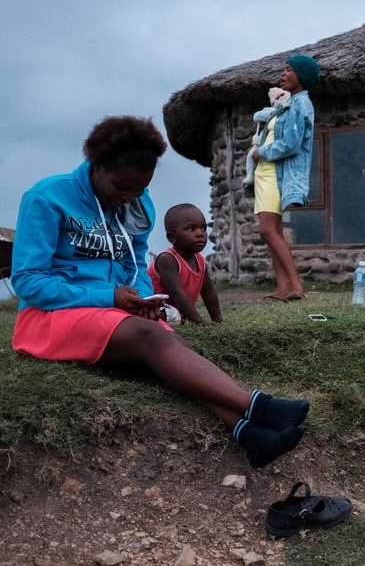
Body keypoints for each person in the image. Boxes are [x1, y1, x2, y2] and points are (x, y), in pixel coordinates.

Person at [11, 115, 309, 469]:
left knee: (172, 346)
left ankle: (248, 434)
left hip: (109, 313)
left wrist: (141, 298)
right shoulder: (47, 199)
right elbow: (28, 281)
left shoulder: (137, 203)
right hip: (48, 318)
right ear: (98, 165)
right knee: (150, 337)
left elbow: (135, 264)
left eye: (140, 189)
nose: (129, 197)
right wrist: (110, 297)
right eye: (121, 187)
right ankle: (258, 406)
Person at [252, 55, 320, 302]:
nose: (282, 74)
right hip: (264, 172)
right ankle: (282, 288)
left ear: (300, 76)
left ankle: (296, 286)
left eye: (288, 70)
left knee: (267, 229)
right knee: (274, 230)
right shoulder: (287, 104)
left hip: (275, 172)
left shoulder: (301, 104)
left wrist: (261, 152)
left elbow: (291, 144)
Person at [148, 203, 222, 325]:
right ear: (172, 238)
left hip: (177, 315)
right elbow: (177, 293)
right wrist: (200, 323)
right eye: (191, 229)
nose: (200, 233)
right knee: (171, 315)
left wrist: (218, 322)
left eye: (203, 228)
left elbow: (209, 293)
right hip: (157, 310)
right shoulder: (167, 259)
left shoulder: (201, 261)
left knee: (177, 316)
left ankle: (183, 319)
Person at [242, 87, 291, 192]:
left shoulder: (291, 111)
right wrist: (276, 111)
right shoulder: (270, 111)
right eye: (278, 97)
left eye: (282, 96)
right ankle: (250, 175)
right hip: (263, 141)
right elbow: (257, 116)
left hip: (277, 142)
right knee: (250, 155)